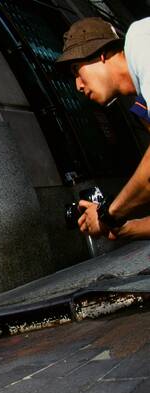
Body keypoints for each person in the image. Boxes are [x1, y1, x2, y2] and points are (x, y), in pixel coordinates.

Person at [55, 16, 150, 240]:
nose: (77, 85)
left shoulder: (141, 42)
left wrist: (109, 214)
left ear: (101, 53)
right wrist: (121, 227)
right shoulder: (142, 105)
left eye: (77, 70)